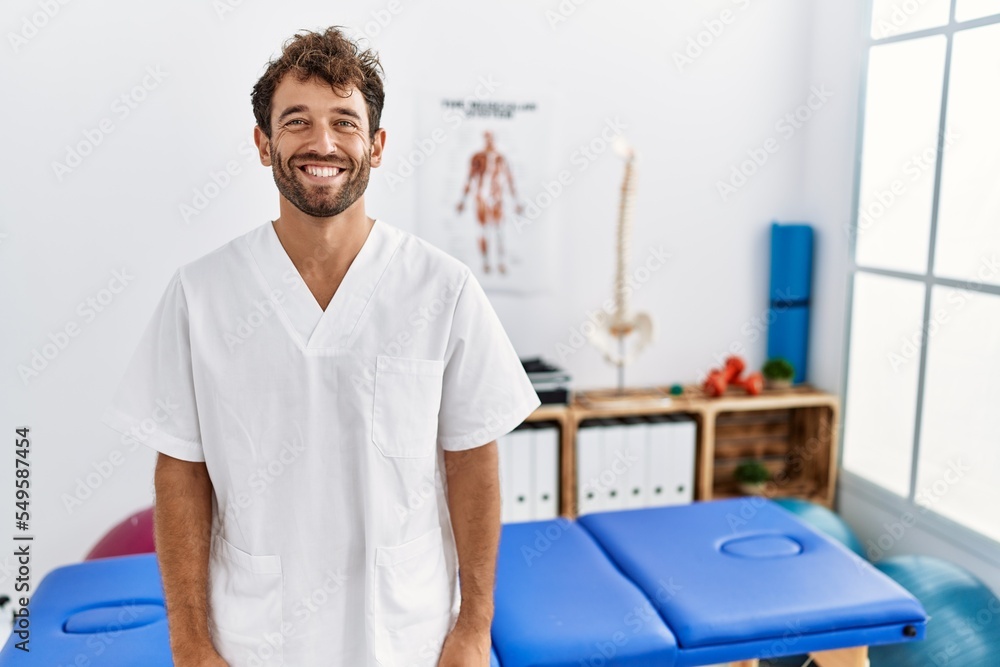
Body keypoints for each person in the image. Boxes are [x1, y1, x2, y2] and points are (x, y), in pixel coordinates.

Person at [101, 26, 540, 667]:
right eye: (296, 120)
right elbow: (181, 472)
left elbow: (473, 462)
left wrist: (473, 628)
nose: (323, 143)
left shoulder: (442, 289)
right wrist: (191, 645)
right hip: (256, 638)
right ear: (263, 143)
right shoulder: (202, 294)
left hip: (405, 632)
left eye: (345, 121)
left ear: (378, 145)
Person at [455, 130, 523, 275]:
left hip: (497, 198)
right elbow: (469, 178)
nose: (489, 141)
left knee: (499, 231)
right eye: (487, 138)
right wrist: (462, 200)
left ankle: (500, 262)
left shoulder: (501, 158)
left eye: (492, 138)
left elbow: (510, 179)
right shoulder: (477, 157)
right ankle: (485, 262)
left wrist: (516, 201)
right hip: (481, 197)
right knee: (484, 231)